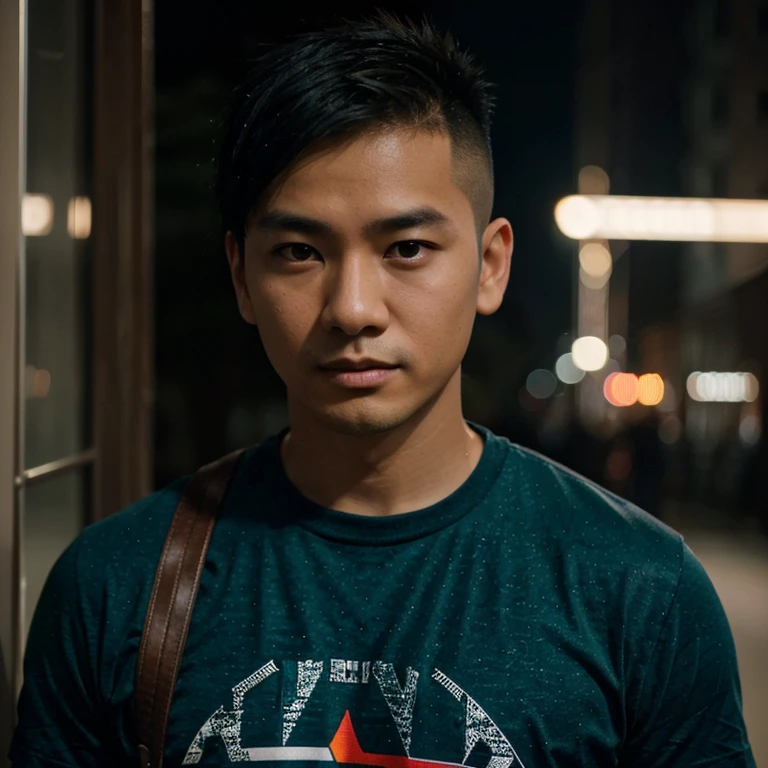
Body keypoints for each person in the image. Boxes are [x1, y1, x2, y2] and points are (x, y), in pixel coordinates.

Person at [10, 13, 755, 768]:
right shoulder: (118, 584)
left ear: (490, 265)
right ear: (242, 275)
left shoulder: (640, 592)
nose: (353, 308)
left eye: (406, 248)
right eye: (300, 252)